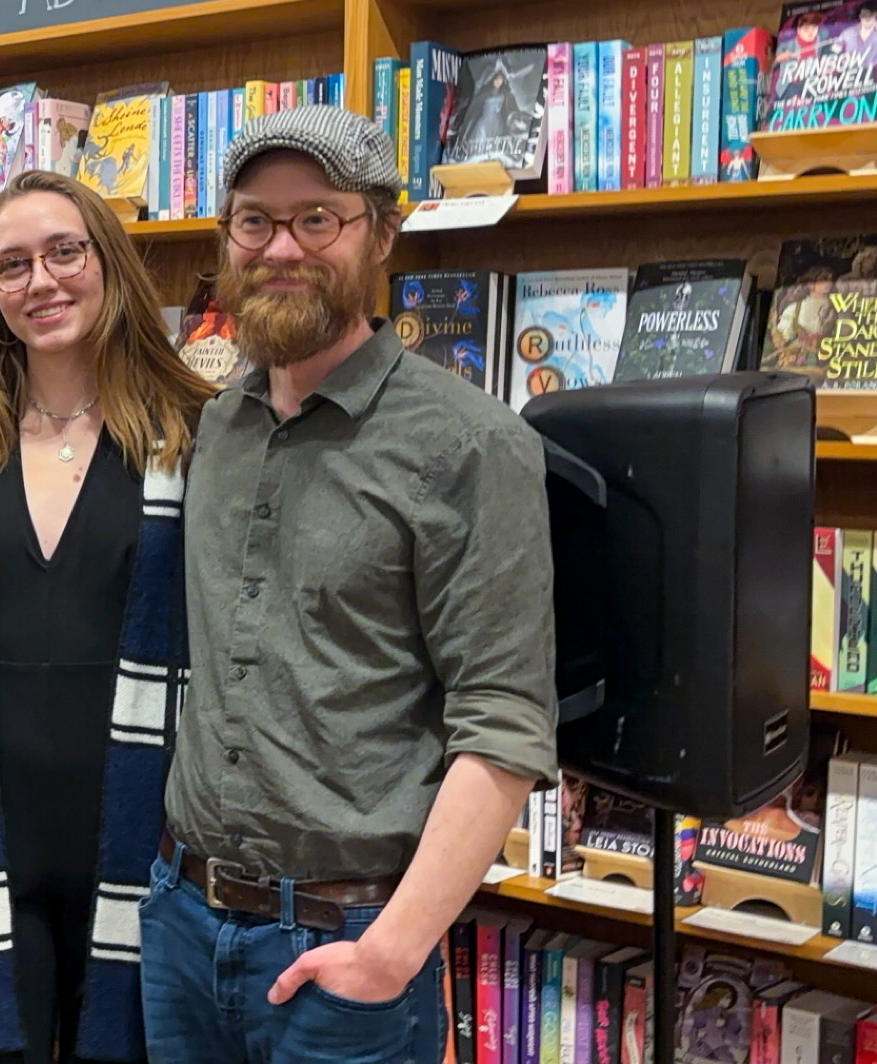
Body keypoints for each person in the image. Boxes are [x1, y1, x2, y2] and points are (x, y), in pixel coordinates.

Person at [142, 105, 557, 1064]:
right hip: (182, 923)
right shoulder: (218, 426)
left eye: (316, 219)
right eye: (255, 220)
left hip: (348, 944)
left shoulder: (469, 445)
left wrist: (390, 954)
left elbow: (502, 722)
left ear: (381, 233)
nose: (281, 247)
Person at [0, 170, 211, 1064]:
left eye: (64, 252)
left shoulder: (193, 429)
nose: (42, 282)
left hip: (142, 823)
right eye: (12, 267)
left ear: (107, 262)